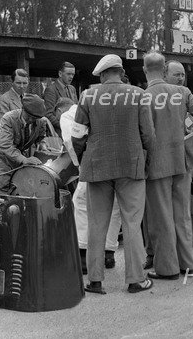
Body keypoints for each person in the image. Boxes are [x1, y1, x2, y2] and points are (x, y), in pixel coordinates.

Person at [72, 54, 155, 294]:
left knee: (96, 223)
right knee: (131, 222)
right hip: (131, 166)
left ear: (101, 75)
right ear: (120, 71)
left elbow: (77, 136)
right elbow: (148, 135)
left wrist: (83, 160)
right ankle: (136, 279)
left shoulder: (87, 96)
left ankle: (95, 281)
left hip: (97, 167)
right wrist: (145, 162)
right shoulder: (139, 95)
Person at [143, 52, 193, 281]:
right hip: (182, 162)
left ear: (145, 70)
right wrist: (192, 138)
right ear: (164, 70)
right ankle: (188, 264)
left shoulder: (144, 96)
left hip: (156, 165)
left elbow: (143, 134)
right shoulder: (182, 93)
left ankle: (167, 268)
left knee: (161, 217)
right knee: (182, 214)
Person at [61, 101, 122, 274]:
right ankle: (108, 253)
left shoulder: (68, 115)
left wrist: (81, 165)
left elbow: (71, 140)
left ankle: (82, 255)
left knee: (82, 204)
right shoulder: (116, 105)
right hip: (119, 162)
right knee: (115, 205)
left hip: (92, 162)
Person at [0, 94, 50, 194]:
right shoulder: (8, 119)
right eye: (28, 117)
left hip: (20, 162)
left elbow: (40, 137)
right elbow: (5, 145)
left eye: (34, 118)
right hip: (3, 160)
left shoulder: (41, 121)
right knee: (3, 192)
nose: (31, 120)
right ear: (22, 109)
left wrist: (42, 144)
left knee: (20, 190)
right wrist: (24, 159)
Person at [43, 61, 78, 134]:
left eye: (73, 74)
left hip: (72, 132)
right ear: (60, 74)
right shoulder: (51, 90)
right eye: (68, 74)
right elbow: (48, 114)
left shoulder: (72, 89)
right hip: (58, 133)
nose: (71, 77)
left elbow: (76, 110)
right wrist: (65, 126)